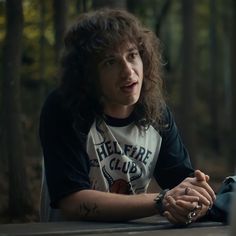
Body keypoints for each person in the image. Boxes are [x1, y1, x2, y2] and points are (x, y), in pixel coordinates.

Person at [39, 8, 216, 225]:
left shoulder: (157, 113)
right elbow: (72, 201)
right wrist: (162, 200)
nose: (128, 71)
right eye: (110, 62)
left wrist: (195, 201)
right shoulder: (64, 108)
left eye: (132, 55)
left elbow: (182, 185)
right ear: (87, 74)